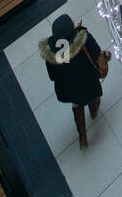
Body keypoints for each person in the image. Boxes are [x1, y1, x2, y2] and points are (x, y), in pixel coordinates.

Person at [39, 14, 110, 150]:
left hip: (69, 88)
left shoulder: (50, 51)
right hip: (88, 80)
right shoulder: (83, 38)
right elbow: (96, 54)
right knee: (92, 96)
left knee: (77, 105)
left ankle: (82, 136)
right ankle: (93, 111)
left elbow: (52, 76)